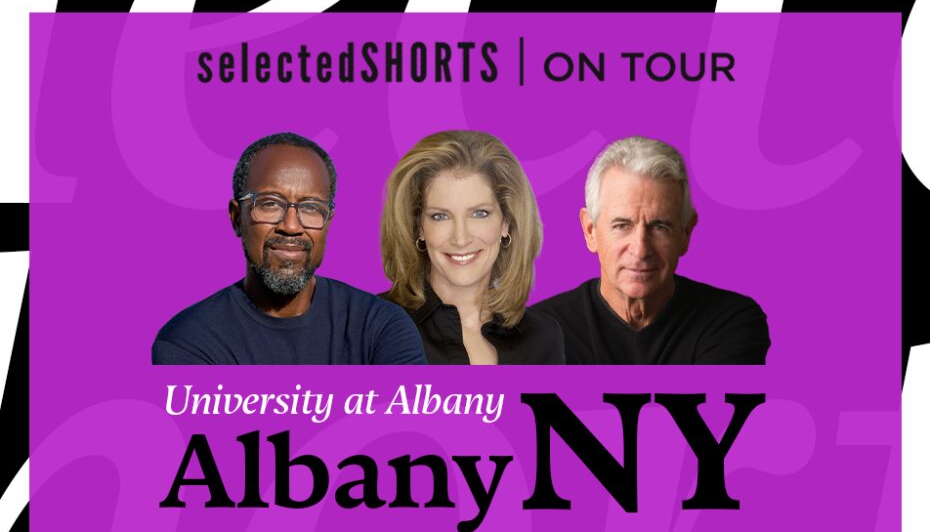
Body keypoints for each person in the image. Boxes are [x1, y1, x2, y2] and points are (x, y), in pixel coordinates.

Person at [152, 132, 426, 365]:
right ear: (237, 218)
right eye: (270, 204)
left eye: (311, 207)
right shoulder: (190, 342)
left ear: (327, 223)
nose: (292, 226)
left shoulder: (381, 327)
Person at [533, 135, 770, 364]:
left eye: (659, 227)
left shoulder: (730, 321)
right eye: (622, 225)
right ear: (590, 231)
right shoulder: (536, 332)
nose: (640, 250)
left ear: (685, 233)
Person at [381, 130, 564, 365]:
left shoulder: (541, 337)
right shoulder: (376, 325)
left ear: (506, 222)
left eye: (479, 214)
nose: (461, 239)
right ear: (419, 227)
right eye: (440, 216)